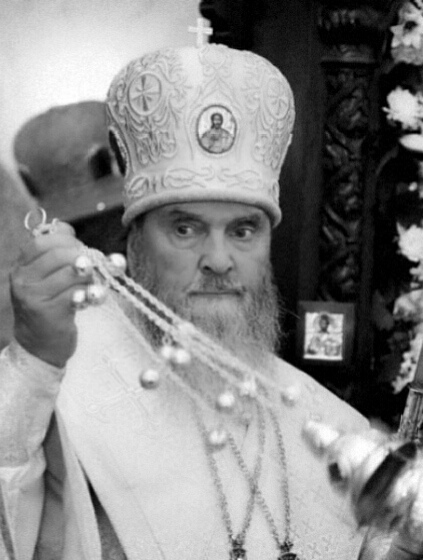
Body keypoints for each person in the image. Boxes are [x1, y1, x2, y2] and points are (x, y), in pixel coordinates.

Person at [0, 41, 421, 560]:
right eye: (186, 228)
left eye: (243, 230)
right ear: (136, 240)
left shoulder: (325, 419)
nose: (219, 260)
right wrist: (34, 361)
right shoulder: (58, 389)